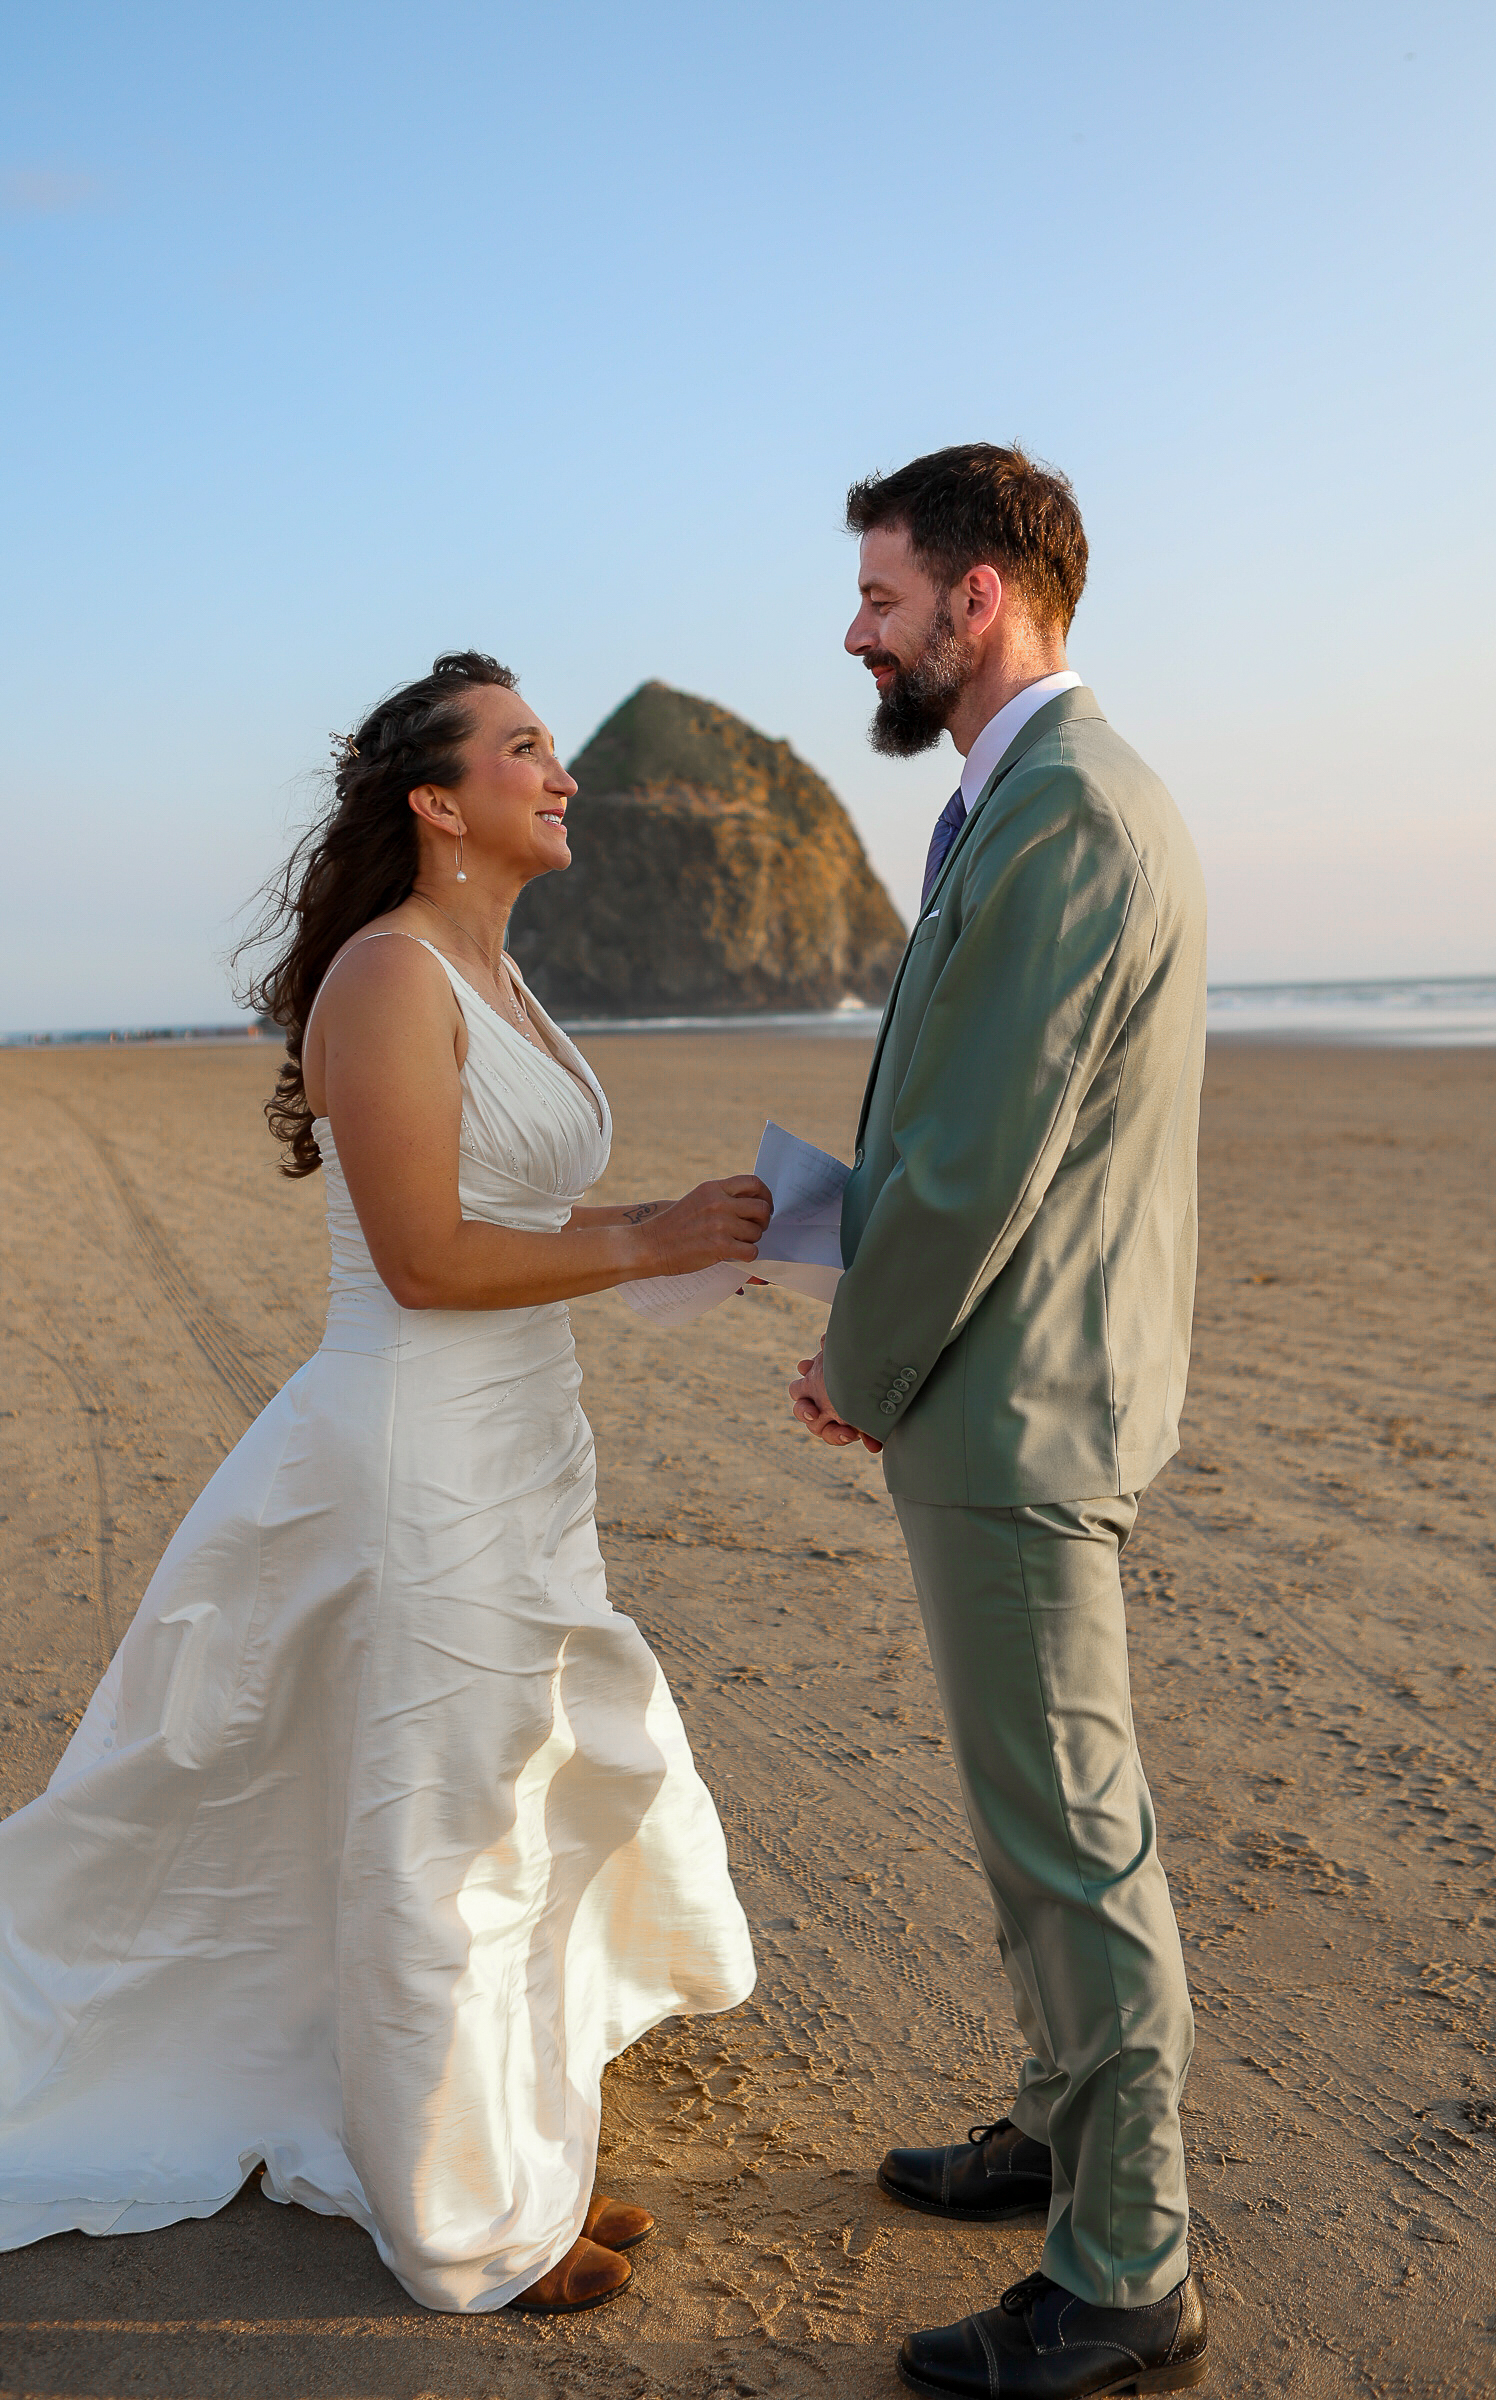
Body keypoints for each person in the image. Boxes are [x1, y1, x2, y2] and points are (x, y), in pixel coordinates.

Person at [0, 651, 770, 2316]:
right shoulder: (387, 974)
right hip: (416, 1452)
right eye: (525, 749)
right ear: (439, 801)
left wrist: (690, 1234)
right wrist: (638, 1239)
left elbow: (522, 1225)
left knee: (508, 1785)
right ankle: (463, 2218)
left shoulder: (500, 977)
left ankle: (511, 2136)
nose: (560, 774)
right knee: (435, 1818)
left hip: (527, 1443)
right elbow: (427, 1262)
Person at [789, 448, 1211, 2397]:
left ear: (979, 600)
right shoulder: (1022, 798)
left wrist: (854, 1370)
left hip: (1016, 1401)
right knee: (1025, 1810)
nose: (853, 628)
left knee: (1072, 1841)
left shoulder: (1062, 812)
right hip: (1013, 1383)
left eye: (879, 594)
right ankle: (1055, 2130)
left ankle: (1123, 2272)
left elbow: (969, 1161)